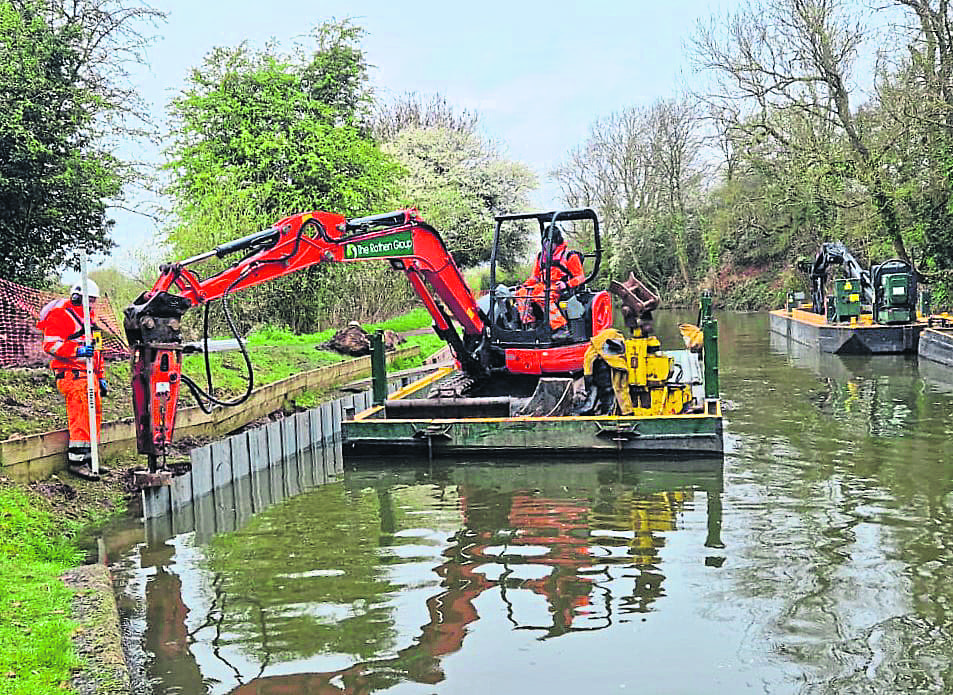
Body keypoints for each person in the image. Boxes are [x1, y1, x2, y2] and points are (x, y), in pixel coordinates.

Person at [37, 280, 108, 480]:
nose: (93, 305)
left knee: (93, 418)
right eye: (91, 300)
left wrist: (100, 375)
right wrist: (76, 350)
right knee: (81, 419)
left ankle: (90, 458)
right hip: (73, 376)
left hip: (90, 376)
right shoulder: (61, 315)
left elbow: (97, 352)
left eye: (95, 301)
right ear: (78, 297)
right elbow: (50, 345)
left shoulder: (91, 320)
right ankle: (77, 462)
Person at [514, 222, 586, 339]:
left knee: (542, 295)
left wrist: (566, 284)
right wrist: (524, 286)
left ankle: (561, 328)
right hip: (542, 286)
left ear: (557, 241)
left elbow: (580, 277)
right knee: (521, 294)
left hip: (559, 288)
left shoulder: (569, 256)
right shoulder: (540, 256)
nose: (547, 245)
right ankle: (530, 325)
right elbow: (535, 277)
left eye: (550, 242)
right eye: (545, 241)